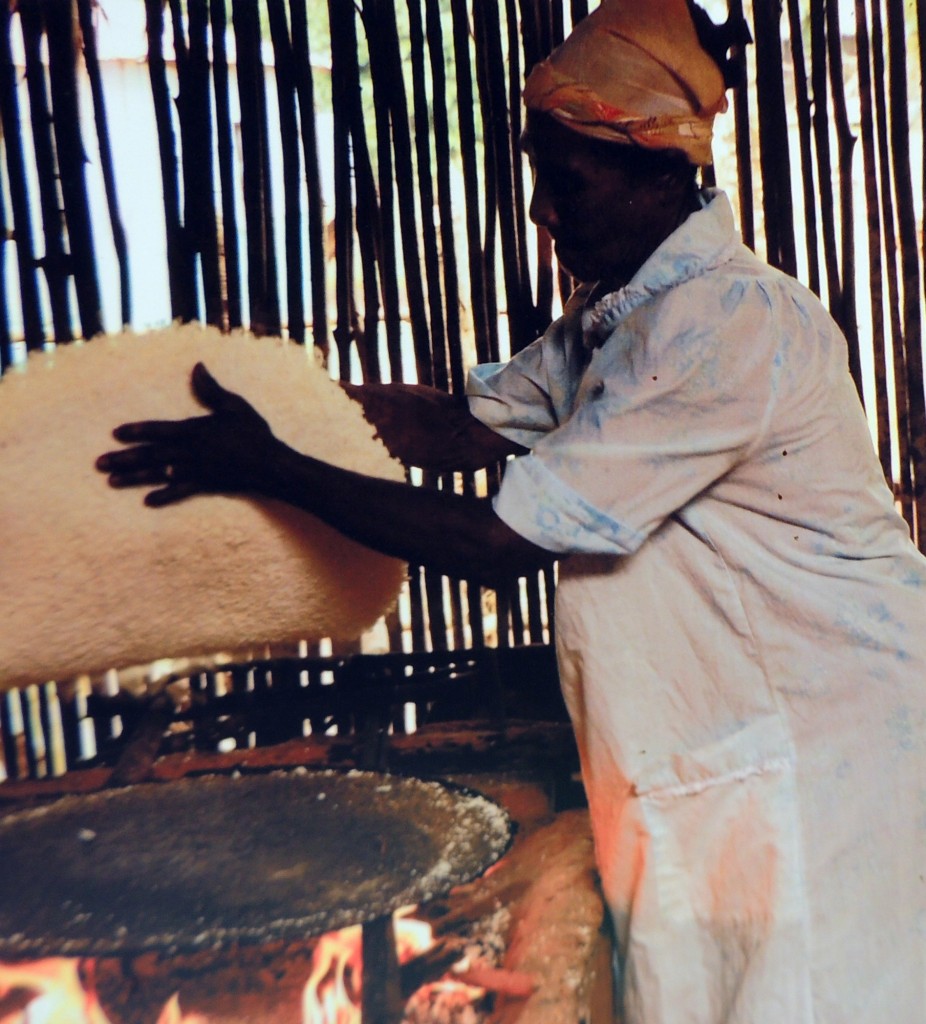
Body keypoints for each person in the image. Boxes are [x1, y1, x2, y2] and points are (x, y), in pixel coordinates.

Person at [96, 2, 926, 1021]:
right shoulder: (617, 320)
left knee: (806, 991)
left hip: (821, 741)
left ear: (655, 170)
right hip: (726, 741)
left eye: (563, 181)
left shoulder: (725, 322)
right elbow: (454, 427)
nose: (541, 210)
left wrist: (270, 466)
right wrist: (283, 409)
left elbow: (497, 543)